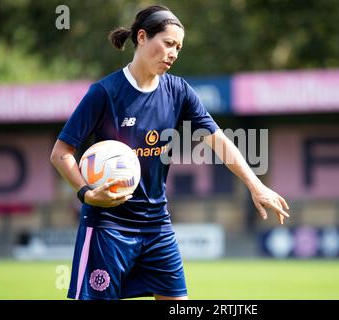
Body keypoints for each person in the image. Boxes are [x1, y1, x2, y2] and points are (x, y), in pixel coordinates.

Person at [50, 4, 290, 300]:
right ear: (141, 38)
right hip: (108, 226)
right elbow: (61, 152)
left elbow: (218, 141)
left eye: (178, 47)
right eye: (168, 43)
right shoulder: (105, 93)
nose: (174, 53)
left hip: (156, 225)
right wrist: (87, 193)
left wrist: (256, 186)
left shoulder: (179, 91)